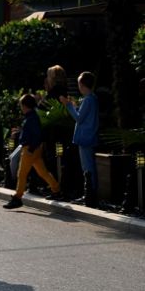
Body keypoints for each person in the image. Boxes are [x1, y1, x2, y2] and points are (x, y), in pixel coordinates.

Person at [4, 94, 62, 210]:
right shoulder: (31, 117)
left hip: (29, 149)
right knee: (42, 172)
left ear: (25, 106)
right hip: (33, 149)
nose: (21, 107)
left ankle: (17, 198)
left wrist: (30, 149)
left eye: (21, 105)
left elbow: (36, 135)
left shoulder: (31, 118)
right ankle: (56, 189)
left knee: (21, 174)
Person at [60, 71, 99, 207]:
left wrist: (68, 105)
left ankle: (90, 194)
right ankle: (90, 193)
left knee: (87, 167)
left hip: (85, 137)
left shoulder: (88, 99)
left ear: (82, 84)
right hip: (89, 136)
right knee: (89, 166)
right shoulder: (92, 98)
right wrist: (74, 105)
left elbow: (78, 118)